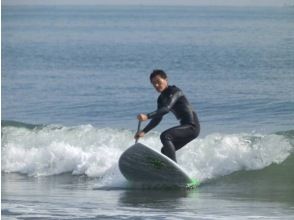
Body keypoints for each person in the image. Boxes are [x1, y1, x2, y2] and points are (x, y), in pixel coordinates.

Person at [135, 69, 200, 162]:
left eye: (158, 82)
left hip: (192, 126)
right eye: (153, 83)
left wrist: (147, 116)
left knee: (165, 136)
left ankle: (175, 169)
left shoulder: (175, 91)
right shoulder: (161, 99)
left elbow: (166, 108)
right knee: (165, 151)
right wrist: (144, 131)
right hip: (185, 127)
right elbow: (158, 118)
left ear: (166, 79)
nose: (156, 85)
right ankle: (169, 173)